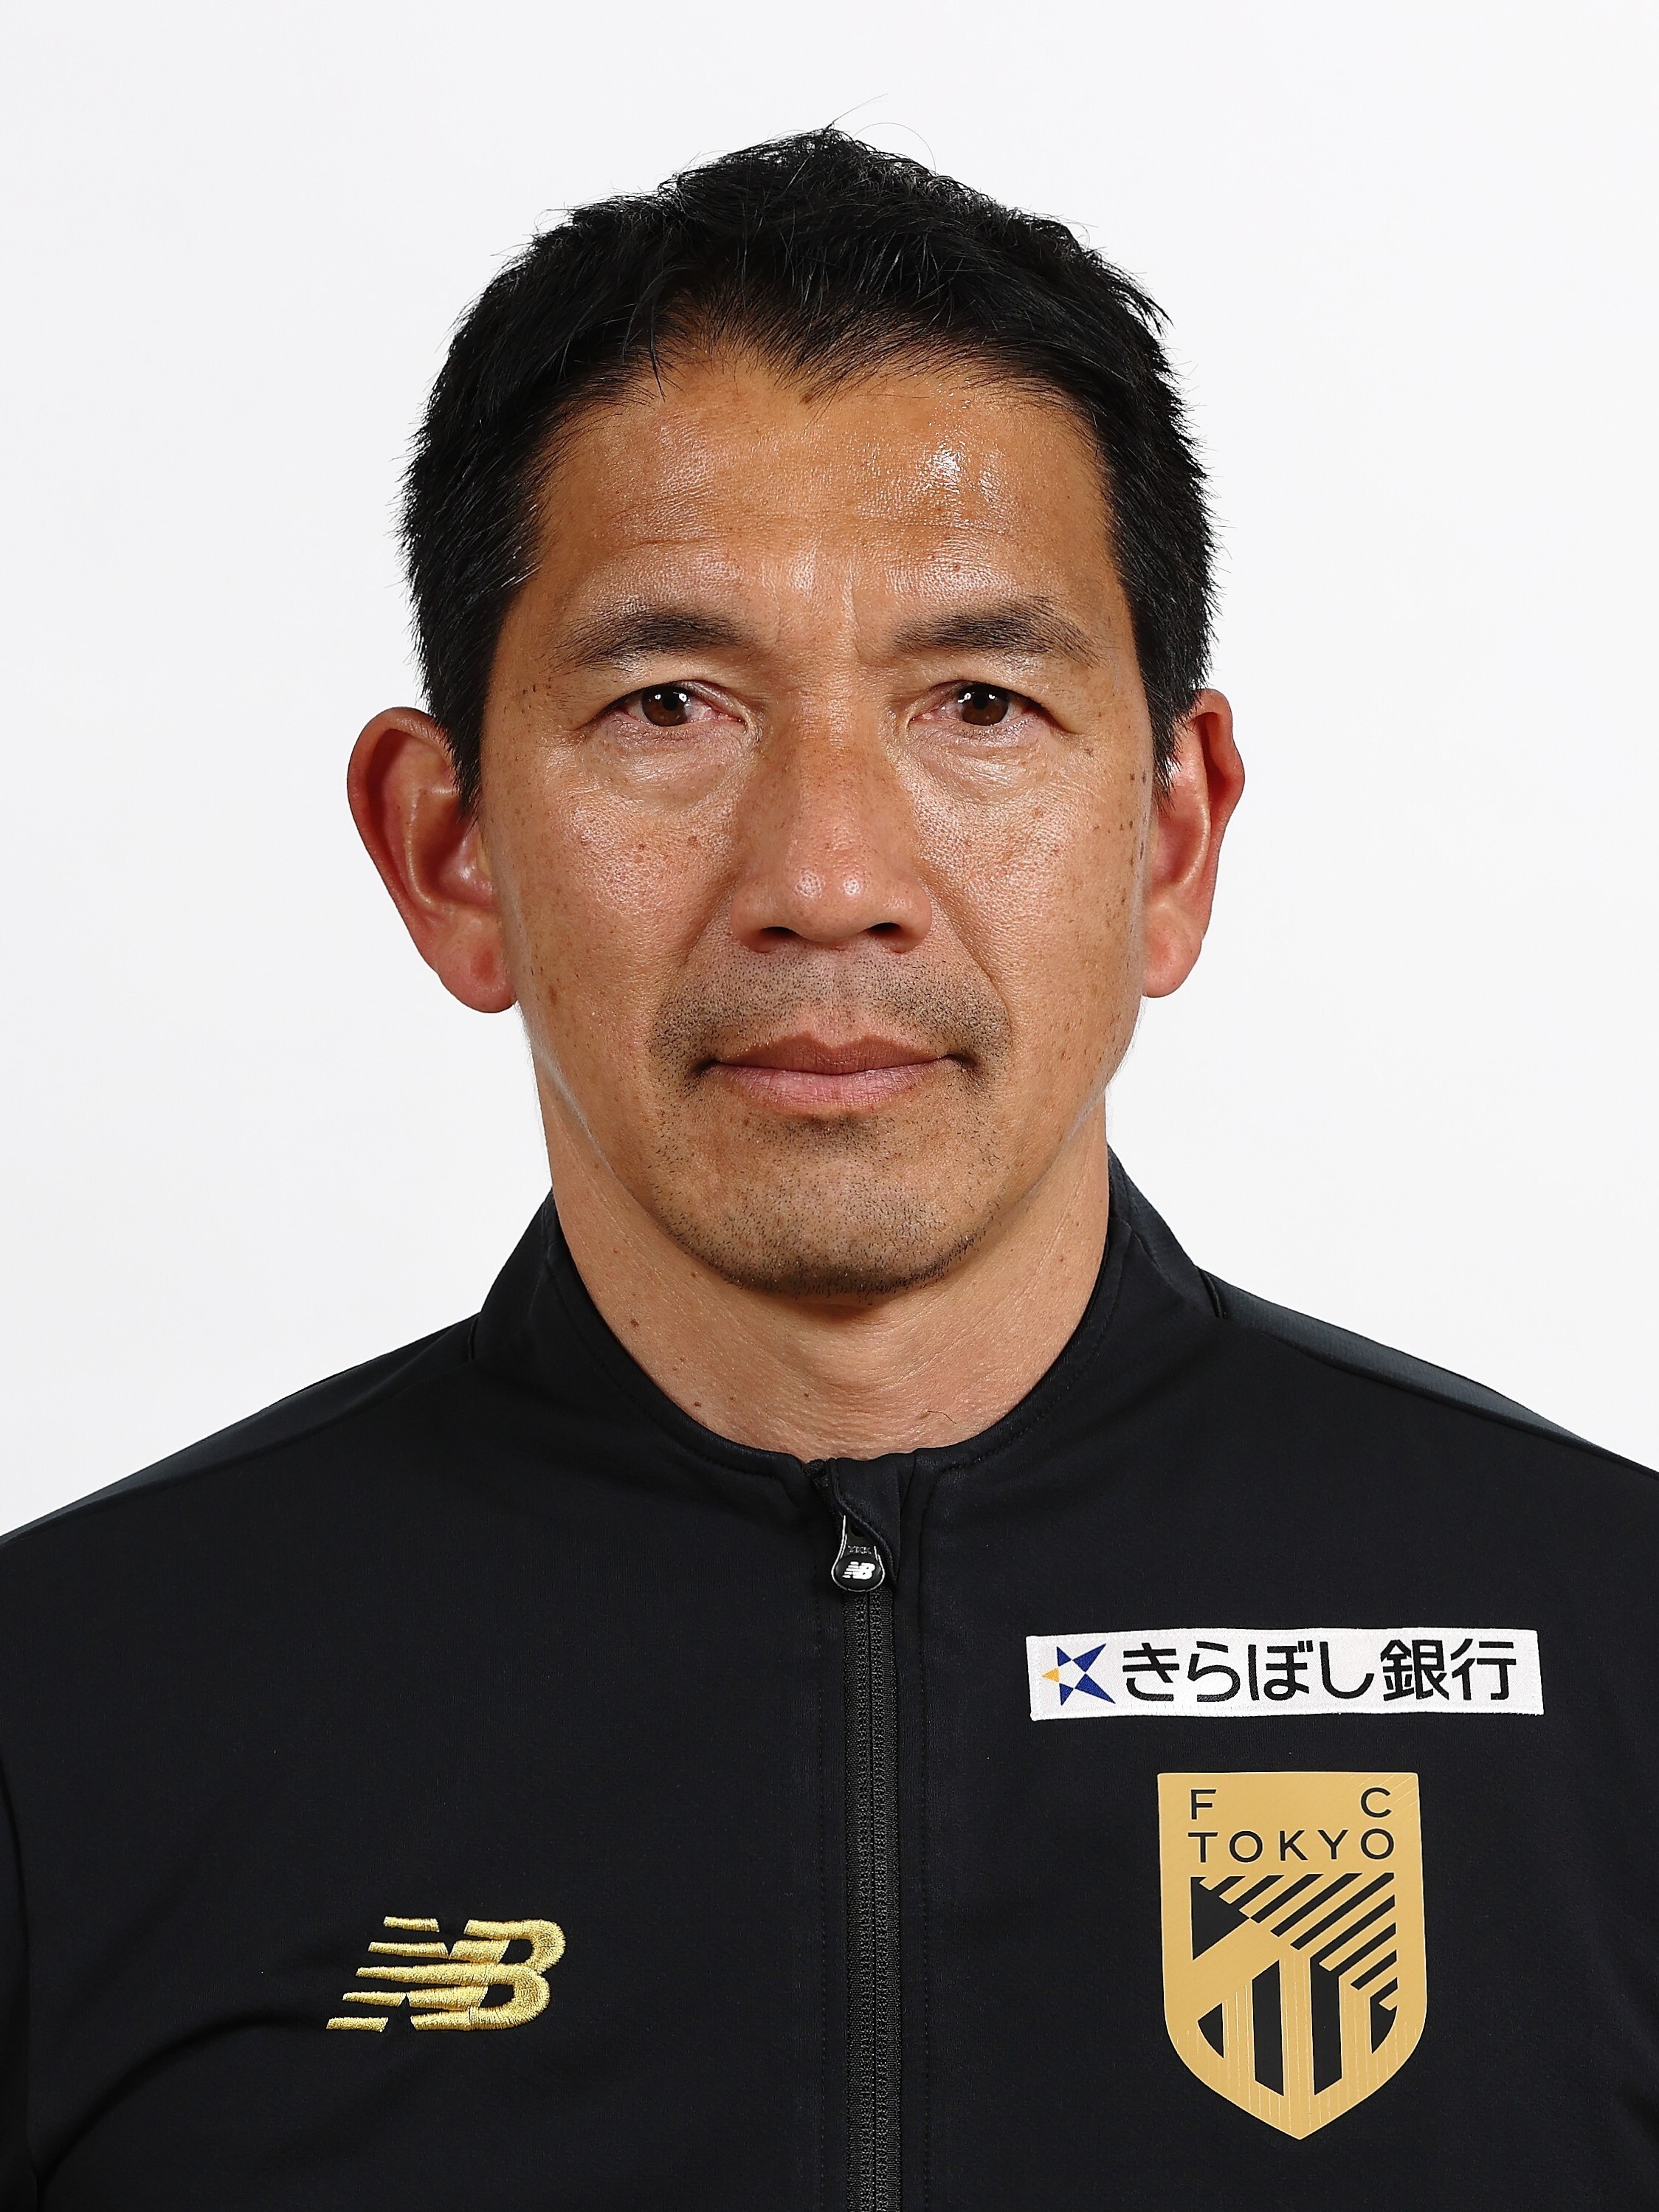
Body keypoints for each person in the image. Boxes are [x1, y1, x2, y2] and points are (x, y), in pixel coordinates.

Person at [1, 129, 1654, 2212]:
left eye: (979, 702)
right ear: (450, 851)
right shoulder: (63, 1724)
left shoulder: (1617, 1659)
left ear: (1172, 838)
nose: (830, 876)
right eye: (670, 705)